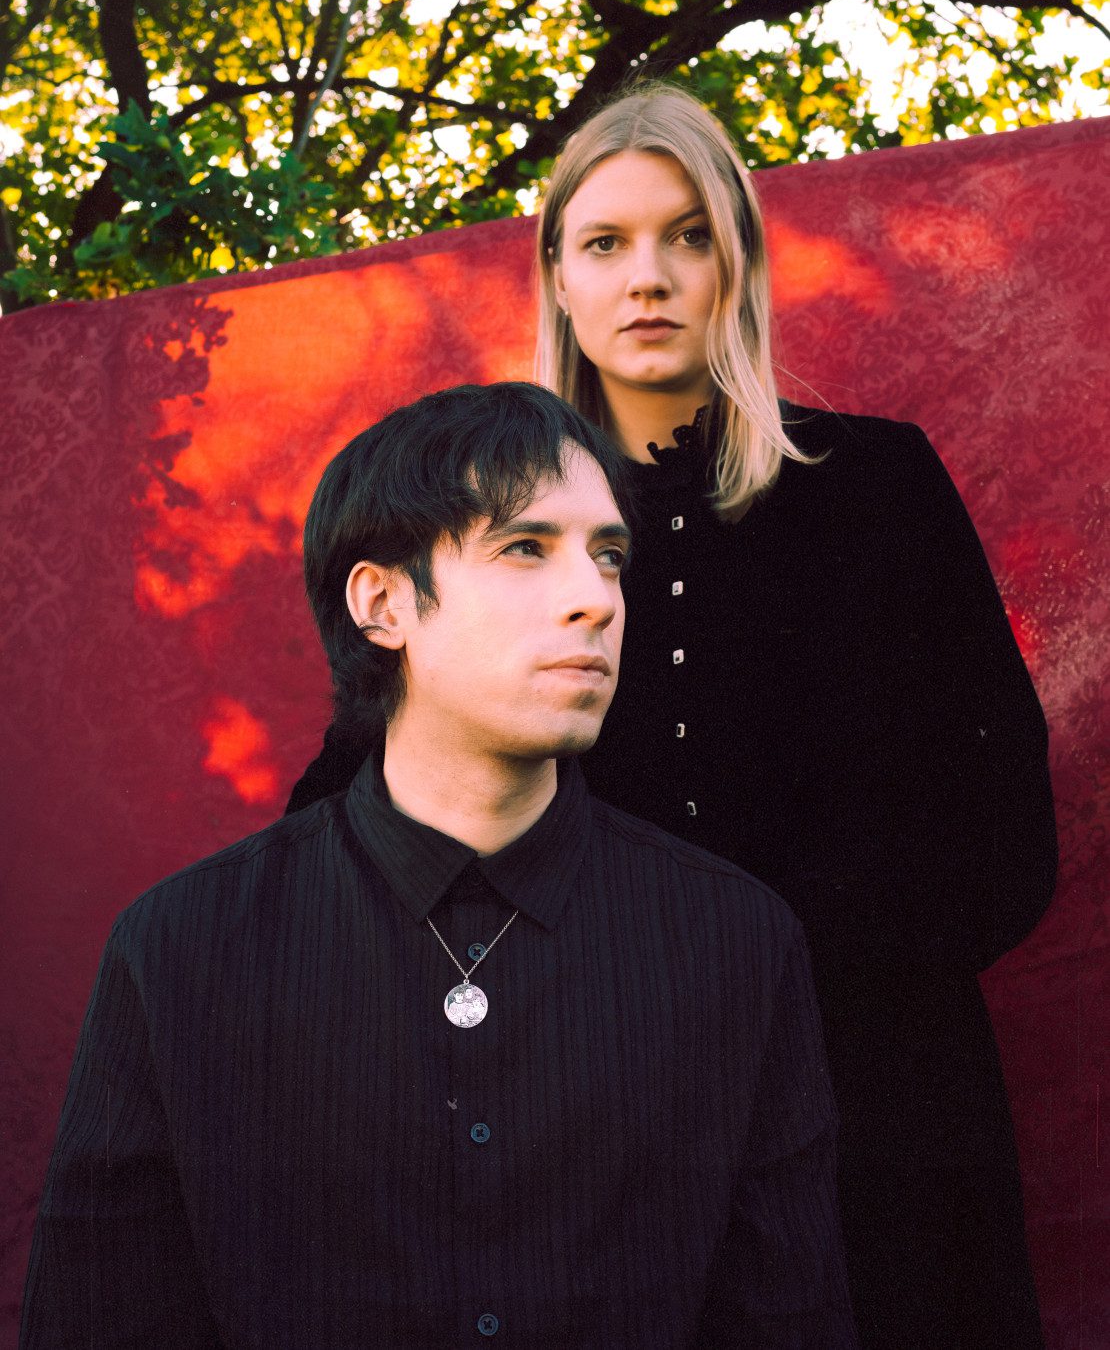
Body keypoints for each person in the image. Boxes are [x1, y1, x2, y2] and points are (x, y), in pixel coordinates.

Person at [289, 86, 1058, 1350]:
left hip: (884, 1122)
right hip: (592, 1134)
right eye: (606, 241)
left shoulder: (879, 484)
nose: (648, 276)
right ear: (559, 275)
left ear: (737, 262)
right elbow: (348, 819)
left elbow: (1004, 829)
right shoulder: (486, 534)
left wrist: (793, 981)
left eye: (689, 235)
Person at [21, 382, 858, 1349]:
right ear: (382, 603)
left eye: (609, 555)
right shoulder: (181, 951)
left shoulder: (735, 942)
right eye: (524, 547)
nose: (597, 599)